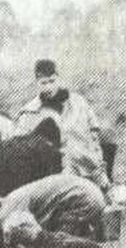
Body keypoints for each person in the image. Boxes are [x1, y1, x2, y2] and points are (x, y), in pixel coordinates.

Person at [16, 59, 111, 192]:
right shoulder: (28, 114)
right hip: (53, 180)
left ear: (59, 79)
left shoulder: (79, 103)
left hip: (88, 171)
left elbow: (94, 140)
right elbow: (22, 154)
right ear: (36, 83)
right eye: (43, 83)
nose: (48, 87)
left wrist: (100, 172)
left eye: (52, 81)